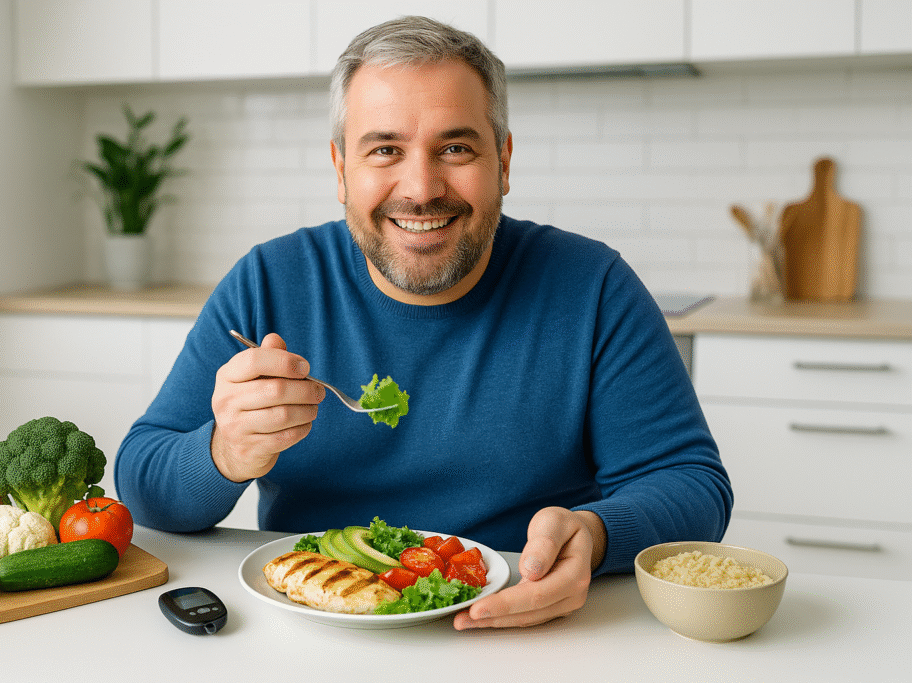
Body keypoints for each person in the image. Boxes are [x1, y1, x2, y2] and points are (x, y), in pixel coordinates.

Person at [114, 15, 732, 630]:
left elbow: (691, 483)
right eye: (385, 150)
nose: (421, 188)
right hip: (314, 628)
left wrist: (596, 534)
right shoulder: (269, 281)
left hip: (526, 632)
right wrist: (224, 451)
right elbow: (142, 482)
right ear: (340, 169)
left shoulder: (592, 286)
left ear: (504, 160)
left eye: (456, 148)